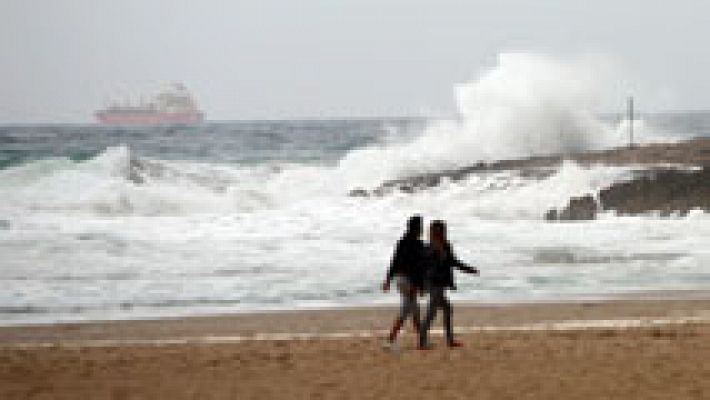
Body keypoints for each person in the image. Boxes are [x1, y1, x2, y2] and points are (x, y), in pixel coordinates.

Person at [419, 220, 478, 349]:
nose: (445, 232)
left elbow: (453, 262)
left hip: (440, 284)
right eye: (442, 230)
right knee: (432, 312)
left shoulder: (446, 246)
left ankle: (448, 340)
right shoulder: (428, 248)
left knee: (446, 309)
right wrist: (422, 285)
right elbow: (424, 268)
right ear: (437, 232)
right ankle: (423, 341)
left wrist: (469, 269)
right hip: (434, 284)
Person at [382, 215, 426, 347]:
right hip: (409, 281)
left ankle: (422, 341)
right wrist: (420, 285)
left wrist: (388, 280)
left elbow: (394, 262)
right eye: (421, 226)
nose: (422, 229)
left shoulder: (401, 241)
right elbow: (418, 267)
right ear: (417, 228)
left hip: (399, 279)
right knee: (406, 310)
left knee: (414, 309)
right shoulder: (418, 244)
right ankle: (390, 340)